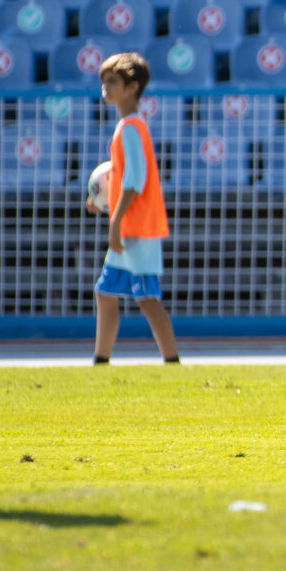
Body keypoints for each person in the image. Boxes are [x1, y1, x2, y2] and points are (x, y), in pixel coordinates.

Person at [88, 52, 180, 366]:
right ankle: (101, 360)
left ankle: (172, 361)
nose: (105, 88)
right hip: (129, 226)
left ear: (132, 87)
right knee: (105, 292)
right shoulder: (128, 127)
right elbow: (121, 173)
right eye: (104, 82)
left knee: (147, 298)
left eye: (112, 82)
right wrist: (101, 197)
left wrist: (115, 220)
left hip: (137, 228)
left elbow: (135, 179)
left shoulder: (130, 128)